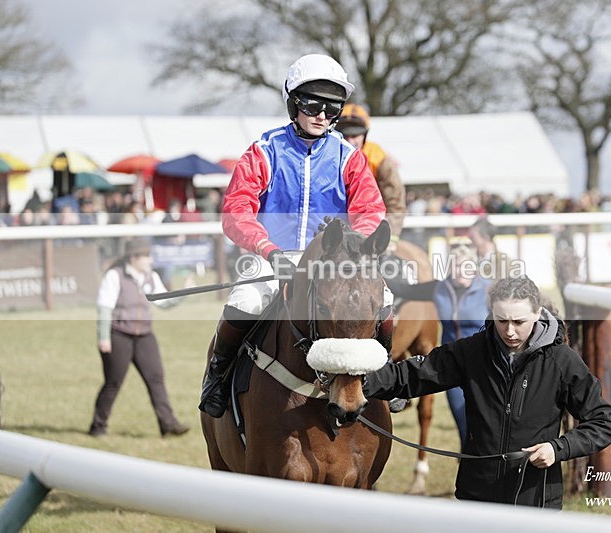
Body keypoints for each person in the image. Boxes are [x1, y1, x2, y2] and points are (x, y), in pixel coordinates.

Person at [199, 54, 387, 418]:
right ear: (293, 104)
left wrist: (353, 248)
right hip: (272, 256)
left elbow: (371, 211)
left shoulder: (350, 158)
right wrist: (268, 250)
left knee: (386, 299)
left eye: (332, 108)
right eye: (312, 104)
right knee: (245, 303)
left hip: (335, 260)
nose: (321, 115)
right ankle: (218, 377)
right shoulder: (263, 152)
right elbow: (236, 211)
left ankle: (386, 377)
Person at [362, 275, 611, 508]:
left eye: (519, 322)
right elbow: (410, 375)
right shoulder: (471, 353)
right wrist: (355, 378)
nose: (509, 331)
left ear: (537, 313)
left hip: (535, 501)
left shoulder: (561, 361)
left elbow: (604, 422)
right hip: (476, 498)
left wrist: (558, 448)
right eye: (501, 320)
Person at [88, 237, 190, 437]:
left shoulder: (150, 277)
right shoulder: (114, 276)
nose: (150, 261)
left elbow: (164, 302)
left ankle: (168, 425)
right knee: (113, 382)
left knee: (156, 379)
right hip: (118, 335)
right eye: (146, 257)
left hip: (144, 335)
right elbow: (104, 308)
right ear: (133, 257)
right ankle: (98, 427)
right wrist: (103, 337)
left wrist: (184, 292)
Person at [433, 243, 490, 449]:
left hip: (485, 367)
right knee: (464, 427)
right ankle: (470, 470)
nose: (462, 271)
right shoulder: (440, 289)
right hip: (453, 367)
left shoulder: (487, 289)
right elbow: (408, 290)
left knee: (485, 429)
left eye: (467, 266)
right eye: (457, 266)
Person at [335, 103, 406, 253]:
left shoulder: (379, 158)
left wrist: (390, 237)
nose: (350, 141)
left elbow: (395, 202)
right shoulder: (328, 154)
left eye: (354, 135)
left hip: (372, 227)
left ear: (365, 135)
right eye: (344, 135)